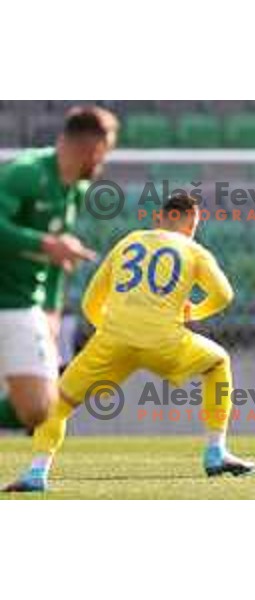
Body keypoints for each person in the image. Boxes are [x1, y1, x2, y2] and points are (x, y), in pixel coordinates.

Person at [3, 192, 255, 492]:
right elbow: (224, 295)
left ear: (159, 218)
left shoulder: (128, 242)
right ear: (190, 224)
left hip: (112, 341)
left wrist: (113, 329)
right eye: (194, 224)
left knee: (59, 403)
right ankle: (215, 451)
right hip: (166, 342)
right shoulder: (193, 250)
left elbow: (90, 301)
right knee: (218, 362)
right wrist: (194, 311)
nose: (193, 230)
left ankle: (36, 472)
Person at [0, 106, 118, 432]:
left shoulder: (75, 190)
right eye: (102, 153)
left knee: (38, 409)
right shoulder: (26, 173)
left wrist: (51, 312)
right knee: (38, 408)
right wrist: (46, 244)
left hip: (22, 304)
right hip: (7, 300)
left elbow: (58, 260)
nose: (102, 163)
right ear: (89, 148)